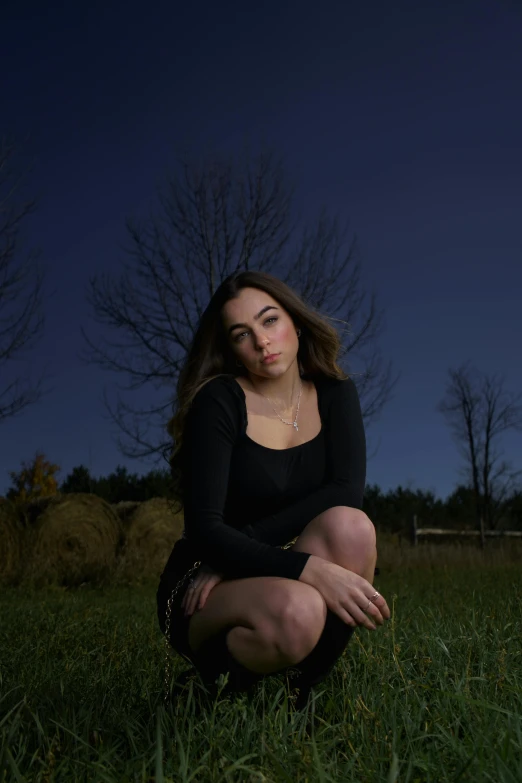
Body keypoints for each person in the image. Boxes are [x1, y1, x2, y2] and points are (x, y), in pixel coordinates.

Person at [156, 270, 390, 709]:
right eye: (242, 334)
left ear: (295, 321)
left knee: (353, 529)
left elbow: (345, 492)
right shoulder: (219, 401)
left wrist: (283, 556)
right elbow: (206, 530)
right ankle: (205, 690)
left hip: (261, 553)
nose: (262, 342)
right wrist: (309, 569)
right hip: (204, 577)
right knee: (300, 610)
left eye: (269, 321)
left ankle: (294, 694)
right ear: (231, 349)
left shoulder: (336, 393)